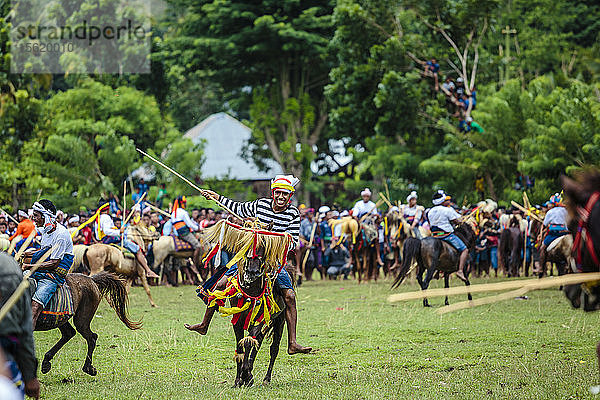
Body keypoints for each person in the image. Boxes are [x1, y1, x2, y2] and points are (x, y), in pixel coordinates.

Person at [185, 174, 312, 355]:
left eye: (285, 194)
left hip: (274, 262)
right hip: (250, 256)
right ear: (273, 193)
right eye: (278, 193)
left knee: (290, 296)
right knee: (220, 285)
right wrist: (216, 197)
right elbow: (238, 207)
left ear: (289, 196)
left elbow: (293, 242)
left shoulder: (293, 214)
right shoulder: (260, 205)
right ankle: (204, 324)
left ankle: (292, 342)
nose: (281, 197)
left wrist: (271, 240)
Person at [20, 200, 74, 330]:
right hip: (41, 271)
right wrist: (29, 254)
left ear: (46, 216)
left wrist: (30, 267)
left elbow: (54, 263)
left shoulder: (61, 234)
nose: (33, 218)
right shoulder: (46, 230)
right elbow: (45, 251)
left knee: (34, 308)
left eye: (36, 215)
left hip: (53, 276)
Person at [0, 253, 40, 399]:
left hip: (52, 277)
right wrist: (29, 376)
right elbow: (24, 330)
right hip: (7, 358)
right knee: (35, 305)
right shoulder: (8, 265)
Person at [95, 202, 159, 278]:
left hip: (103, 239)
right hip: (111, 239)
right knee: (137, 249)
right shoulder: (106, 217)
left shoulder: (98, 217)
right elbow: (106, 231)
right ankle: (148, 271)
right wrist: (119, 231)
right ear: (107, 209)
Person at [428, 191, 468, 282]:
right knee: (465, 250)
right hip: (446, 235)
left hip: (434, 236)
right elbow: (456, 221)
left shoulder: (430, 211)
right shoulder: (447, 209)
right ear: (442, 200)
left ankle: (436, 270)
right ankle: (460, 271)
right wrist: (461, 221)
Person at [539, 193, 569, 277]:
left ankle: (541, 268)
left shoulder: (551, 212)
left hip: (554, 234)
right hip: (565, 233)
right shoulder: (566, 210)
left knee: (542, 248)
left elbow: (545, 224)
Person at [170, 196, 202, 264]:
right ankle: (194, 263)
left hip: (178, 233)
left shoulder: (173, 213)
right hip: (185, 233)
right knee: (198, 246)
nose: (185, 204)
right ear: (182, 204)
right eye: (184, 203)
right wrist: (198, 228)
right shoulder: (183, 212)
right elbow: (189, 224)